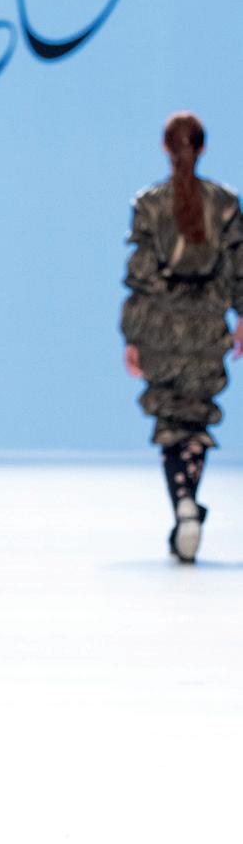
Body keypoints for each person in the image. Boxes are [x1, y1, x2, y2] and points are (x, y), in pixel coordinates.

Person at [121, 111, 243, 563]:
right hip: (208, 323)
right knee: (194, 418)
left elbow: (140, 276)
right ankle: (188, 500)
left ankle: (184, 505)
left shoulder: (149, 203)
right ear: (202, 148)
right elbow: (237, 267)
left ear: (165, 148)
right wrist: (241, 315)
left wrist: (133, 336)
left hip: (161, 323)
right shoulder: (225, 203)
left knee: (171, 418)